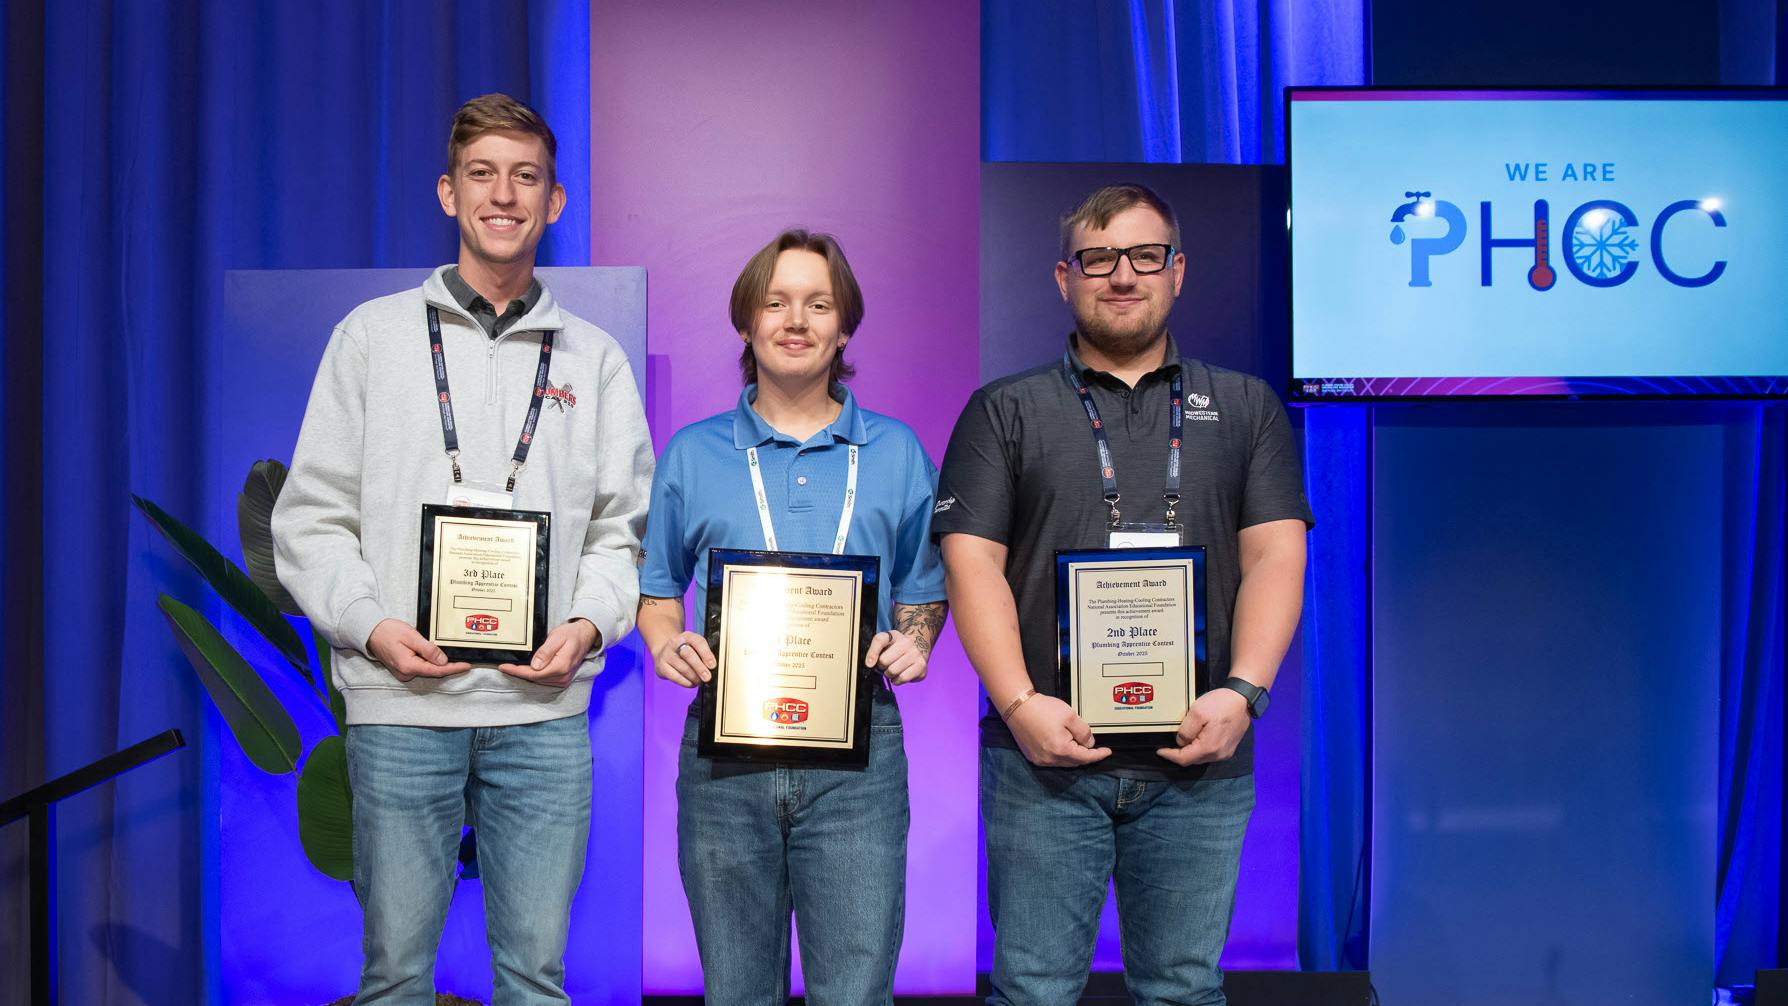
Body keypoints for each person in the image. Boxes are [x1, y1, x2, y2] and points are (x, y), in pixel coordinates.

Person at [272, 93, 652, 1004]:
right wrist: (368, 627)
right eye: (482, 173)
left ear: (554, 202)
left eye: (527, 177)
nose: (504, 194)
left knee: (535, 977)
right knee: (396, 976)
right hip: (402, 704)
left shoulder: (593, 358)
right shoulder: (370, 337)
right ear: (449, 192)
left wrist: (590, 626)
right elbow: (310, 515)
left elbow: (621, 526)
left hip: (542, 711)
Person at [934, 183, 1312, 1006]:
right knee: (1032, 991)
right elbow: (971, 565)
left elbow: (1277, 555)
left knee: (1182, 990)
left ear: (1178, 271)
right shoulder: (1005, 409)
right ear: (1063, 276)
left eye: (1145, 256)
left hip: (1199, 758)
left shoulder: (1246, 405)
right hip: (1041, 759)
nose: (1122, 276)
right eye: (1099, 259)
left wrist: (1244, 694)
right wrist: (1020, 703)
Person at [636, 229, 948, 1004]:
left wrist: (916, 643)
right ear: (746, 322)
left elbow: (923, 588)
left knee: (853, 992)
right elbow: (655, 587)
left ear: (844, 327)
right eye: (775, 302)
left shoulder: (899, 452)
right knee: (737, 993)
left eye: (818, 303)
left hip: (859, 761)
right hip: (724, 755)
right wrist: (667, 641)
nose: (796, 320)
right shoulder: (693, 453)